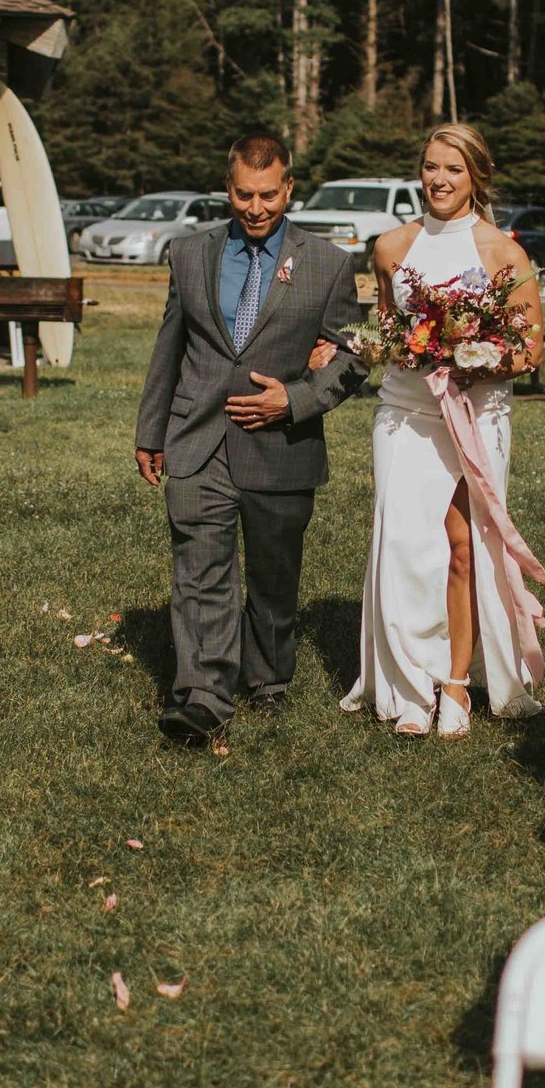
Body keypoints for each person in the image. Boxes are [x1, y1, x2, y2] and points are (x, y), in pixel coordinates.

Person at [134, 132, 368, 745]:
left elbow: (353, 357)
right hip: (197, 438)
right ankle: (204, 695)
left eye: (269, 195)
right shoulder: (188, 254)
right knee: (199, 570)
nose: (257, 208)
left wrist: (294, 399)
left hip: (282, 448)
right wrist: (151, 429)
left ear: (289, 188)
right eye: (244, 195)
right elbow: (170, 346)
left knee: (273, 575)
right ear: (227, 187)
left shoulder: (328, 263)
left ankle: (268, 677)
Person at [343, 123, 545, 739]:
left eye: (453, 169)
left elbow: (530, 349)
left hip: (477, 416)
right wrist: (400, 348)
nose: (439, 179)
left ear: (477, 176)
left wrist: (473, 356)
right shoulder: (390, 247)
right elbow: (385, 329)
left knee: (464, 546)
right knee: (406, 546)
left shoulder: (503, 253)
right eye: (431, 166)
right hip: (406, 414)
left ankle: (457, 683)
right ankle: (410, 684)